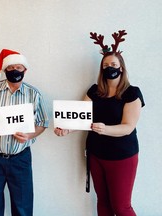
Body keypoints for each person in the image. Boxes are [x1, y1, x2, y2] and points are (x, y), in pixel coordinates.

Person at [54, 30, 145, 216]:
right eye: (106, 65)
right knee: (103, 203)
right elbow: (80, 117)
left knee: (121, 207)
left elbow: (128, 127)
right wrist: (66, 128)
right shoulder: (94, 91)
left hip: (122, 156)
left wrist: (105, 129)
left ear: (121, 68)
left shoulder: (132, 93)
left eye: (113, 64)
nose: (109, 67)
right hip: (97, 154)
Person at [0, 49, 49, 216]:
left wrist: (30, 135)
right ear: (4, 70)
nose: (15, 71)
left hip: (20, 158)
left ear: (25, 70)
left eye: (19, 67)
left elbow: (43, 123)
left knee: (23, 206)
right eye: (10, 68)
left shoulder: (34, 94)